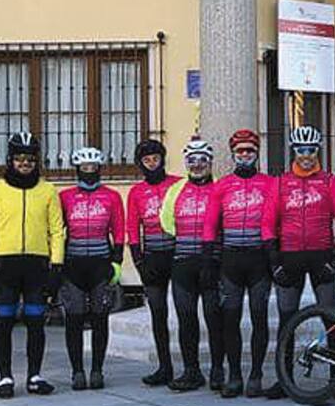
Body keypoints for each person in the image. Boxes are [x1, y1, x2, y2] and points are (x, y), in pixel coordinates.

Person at [263, 125, 335, 400]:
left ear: (318, 151)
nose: (306, 156)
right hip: (289, 257)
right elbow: (268, 225)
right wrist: (274, 262)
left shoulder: (329, 182)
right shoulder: (280, 183)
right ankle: (284, 378)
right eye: (301, 150)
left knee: (332, 319)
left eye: (311, 150)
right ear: (294, 151)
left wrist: (334, 256)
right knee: (287, 319)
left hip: (322, 257)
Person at [0, 132, 65, 398]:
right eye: (19, 159)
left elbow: (57, 230)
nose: (24, 164)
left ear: (36, 161)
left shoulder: (47, 190)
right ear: (10, 160)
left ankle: (34, 376)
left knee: (36, 321)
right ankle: (5, 377)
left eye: (29, 159)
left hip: (37, 264)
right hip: (6, 263)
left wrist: (57, 265)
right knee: (4, 321)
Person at [214, 129, 278, 398]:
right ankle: (235, 375)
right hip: (230, 260)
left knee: (259, 317)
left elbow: (277, 220)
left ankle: (256, 374)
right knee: (230, 319)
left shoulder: (270, 183)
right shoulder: (222, 185)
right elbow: (212, 224)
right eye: (240, 151)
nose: (245, 155)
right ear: (232, 154)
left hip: (259, 260)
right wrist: (211, 259)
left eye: (249, 151)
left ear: (257, 153)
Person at [159, 138, 224, 392]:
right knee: (186, 319)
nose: (197, 165)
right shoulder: (176, 189)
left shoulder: (219, 186)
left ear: (210, 163)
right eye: (192, 161)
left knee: (213, 318)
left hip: (212, 262)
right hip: (183, 262)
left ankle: (218, 370)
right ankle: (191, 371)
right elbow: (165, 219)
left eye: (202, 161)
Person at [58, 147, 125, 391]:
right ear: (77, 170)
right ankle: (77, 371)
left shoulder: (112, 197)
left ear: (99, 169)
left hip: (100, 264)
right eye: (84, 168)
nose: (89, 172)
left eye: (93, 168)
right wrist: (56, 265)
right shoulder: (64, 196)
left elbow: (119, 232)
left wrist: (117, 263)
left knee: (100, 318)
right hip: (73, 265)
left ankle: (97, 370)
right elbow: (56, 231)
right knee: (73, 319)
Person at [126, 138, 182, 386]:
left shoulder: (178, 184)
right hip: (152, 257)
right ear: (141, 164)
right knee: (158, 313)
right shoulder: (137, 192)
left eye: (155, 159)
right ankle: (164, 367)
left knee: (185, 312)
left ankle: (191, 367)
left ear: (162, 159)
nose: (152, 164)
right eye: (147, 161)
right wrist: (139, 262)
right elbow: (131, 227)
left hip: (178, 254)